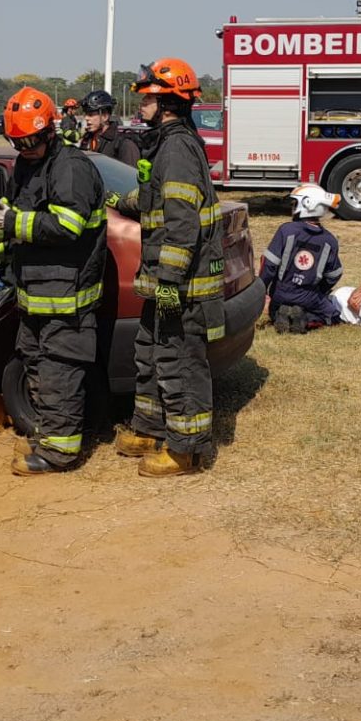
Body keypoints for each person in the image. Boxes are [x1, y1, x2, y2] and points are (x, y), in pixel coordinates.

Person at [0, 86, 107, 476]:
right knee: (36, 367)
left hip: (67, 297)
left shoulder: (70, 167)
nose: (23, 148)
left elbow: (68, 224)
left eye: (30, 140)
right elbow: (22, 219)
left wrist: (10, 221)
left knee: (59, 371)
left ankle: (59, 454)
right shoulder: (29, 165)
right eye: (16, 142)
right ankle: (47, 436)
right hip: (34, 294)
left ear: (49, 130)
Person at [113, 58, 224, 478]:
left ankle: (185, 450)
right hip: (163, 283)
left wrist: (170, 284)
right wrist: (119, 202)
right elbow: (155, 201)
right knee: (151, 350)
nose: (141, 104)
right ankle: (148, 429)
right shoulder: (166, 142)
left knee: (179, 358)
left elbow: (182, 224)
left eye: (147, 98)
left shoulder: (177, 148)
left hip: (180, 285)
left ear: (168, 102)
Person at [258, 183, 344, 333]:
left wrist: (262, 291)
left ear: (307, 204)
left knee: (274, 311)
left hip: (280, 292)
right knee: (333, 316)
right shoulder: (329, 240)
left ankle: (279, 313)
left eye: (295, 203)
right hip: (308, 295)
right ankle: (305, 317)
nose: (292, 207)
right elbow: (334, 275)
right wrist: (319, 291)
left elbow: (269, 265)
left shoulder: (286, 230)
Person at [78, 89, 140, 167]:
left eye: (90, 114)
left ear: (105, 116)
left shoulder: (123, 144)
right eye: (86, 114)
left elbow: (130, 175)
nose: (86, 118)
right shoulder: (87, 139)